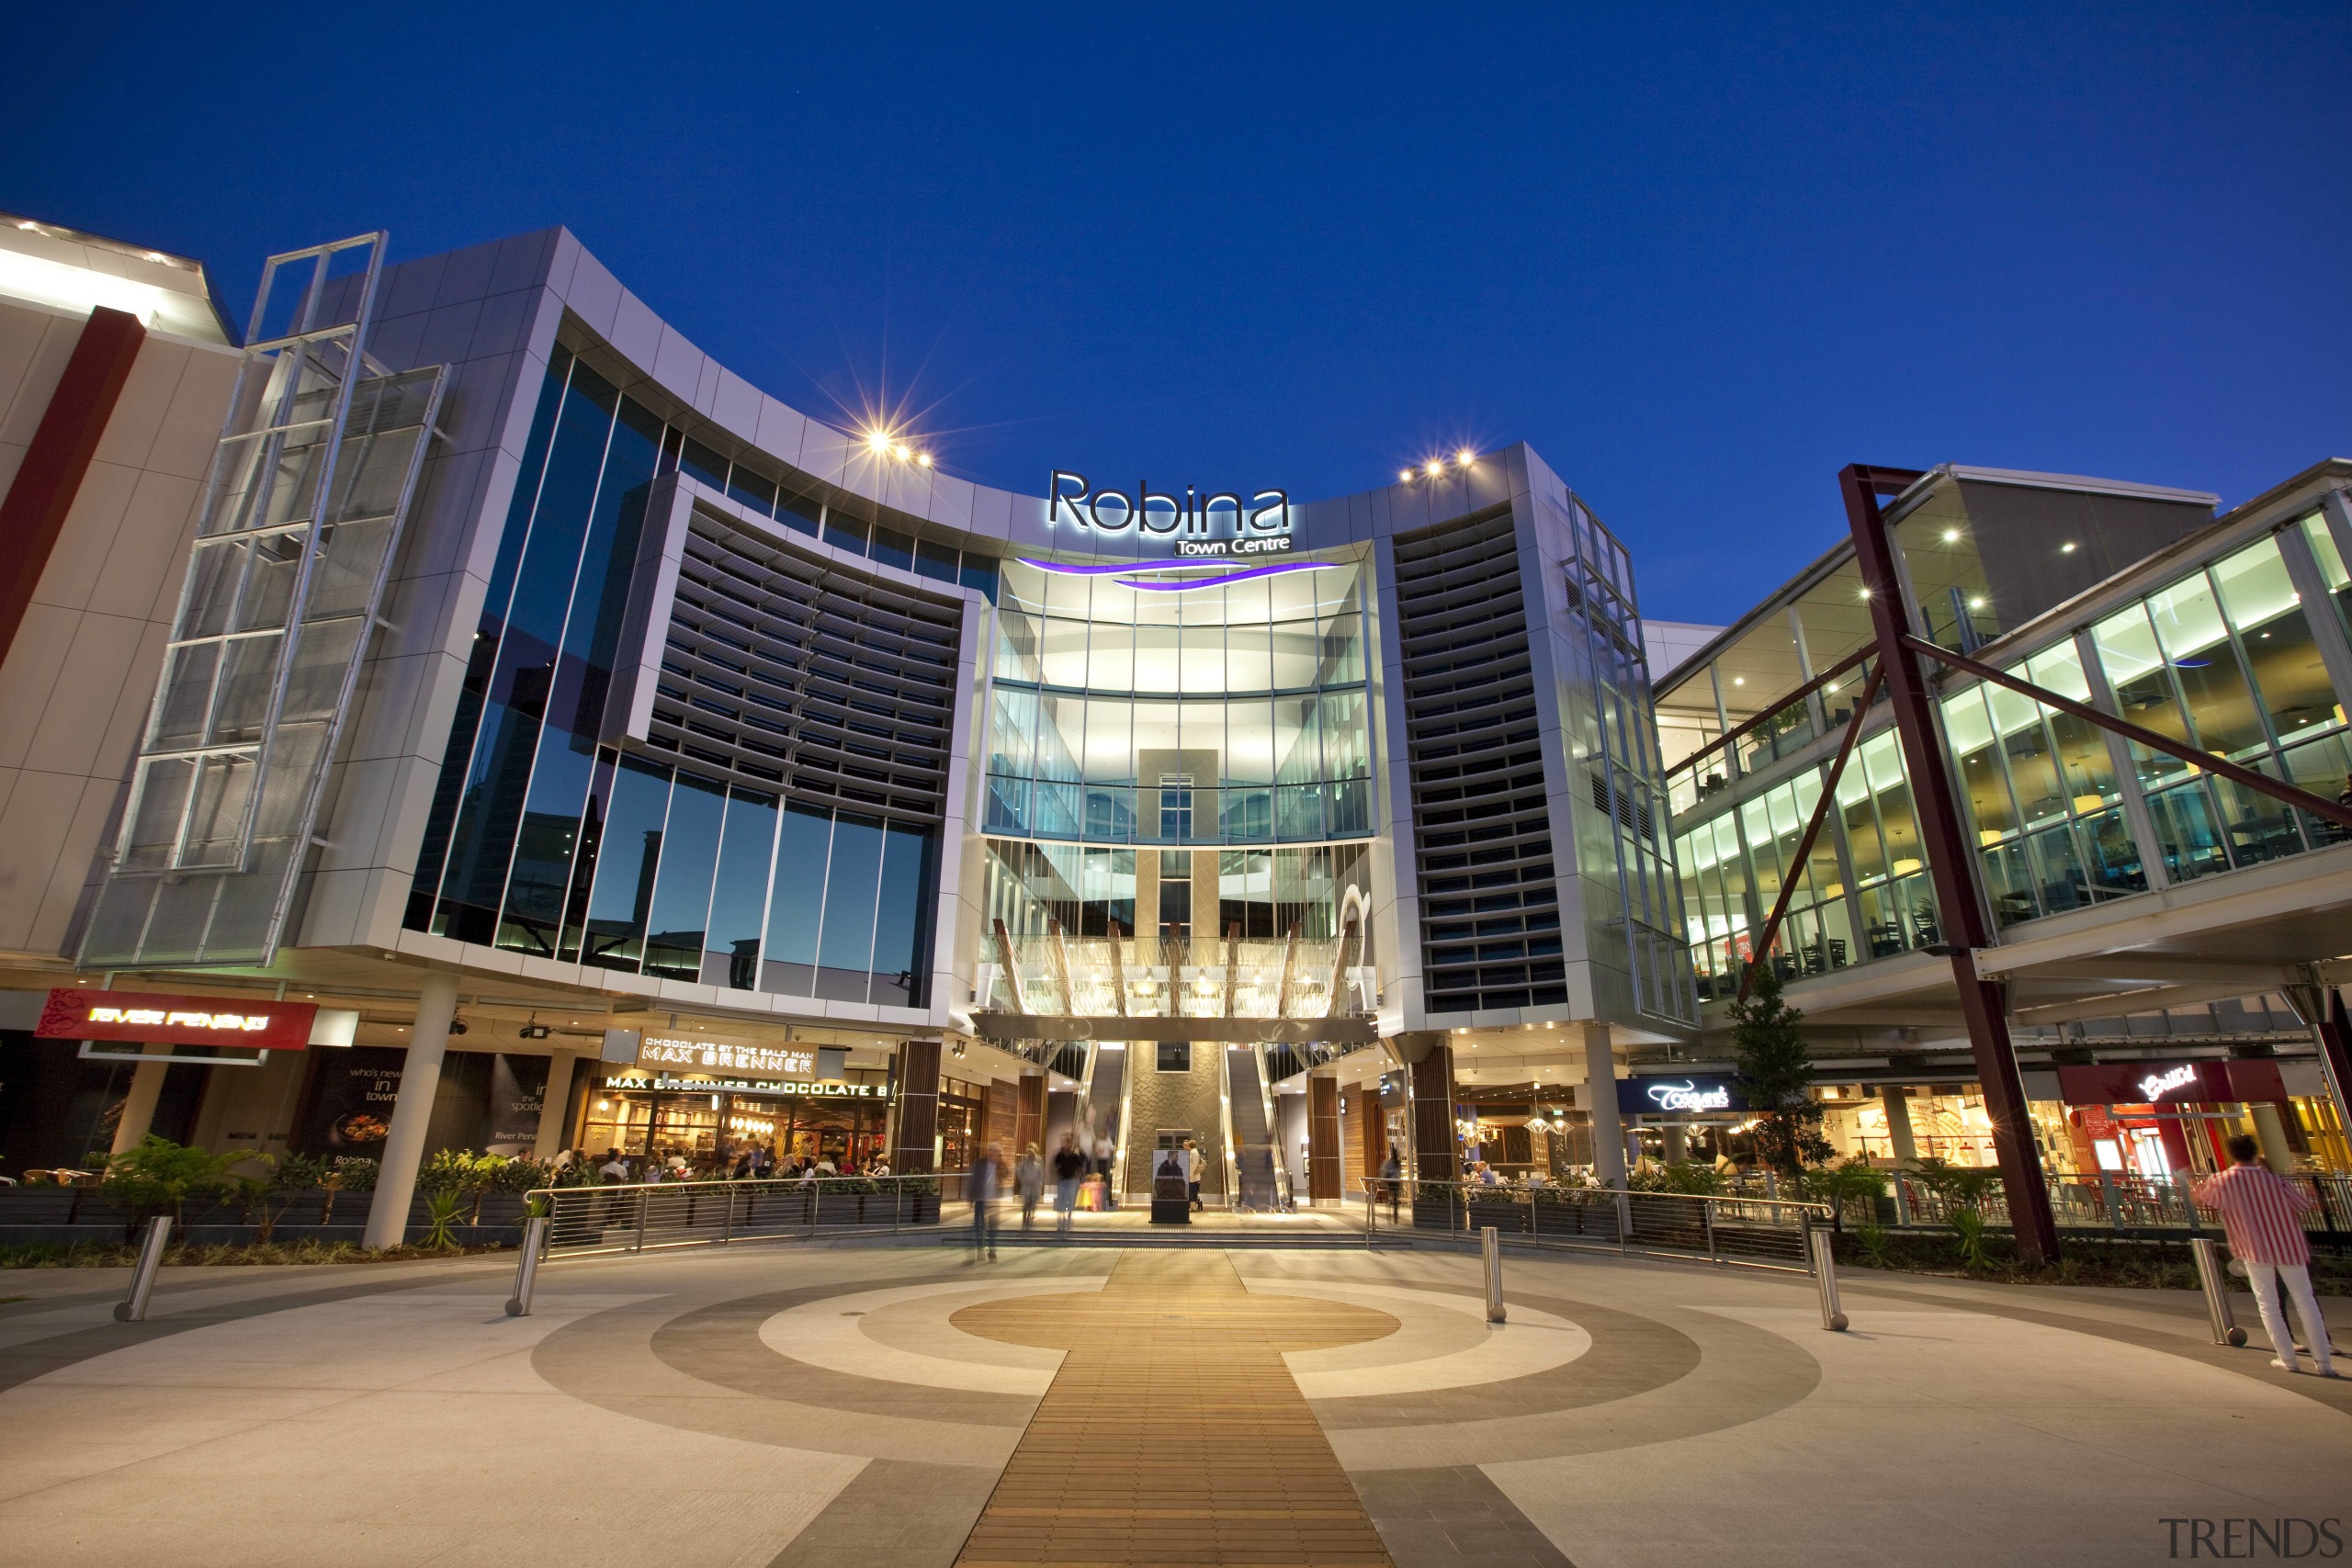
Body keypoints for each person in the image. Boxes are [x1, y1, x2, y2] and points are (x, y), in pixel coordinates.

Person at [2195, 1134, 2336, 1376]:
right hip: (2290, 1246)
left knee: (2268, 1304)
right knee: (2306, 1301)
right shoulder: (2275, 1180)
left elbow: (2202, 1200)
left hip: (2254, 1248)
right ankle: (2324, 1362)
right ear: (2254, 1152)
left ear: (2231, 1154)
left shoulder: (2223, 1180)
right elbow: (2304, 1205)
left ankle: (2287, 1358)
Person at [966, 1143, 1002, 1262]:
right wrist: (970, 1198)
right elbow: (973, 1180)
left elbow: (1006, 1174)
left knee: (993, 1227)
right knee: (979, 1226)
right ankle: (980, 1250)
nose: (996, 1155)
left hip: (993, 1201)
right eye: (994, 1152)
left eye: (998, 1153)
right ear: (989, 1152)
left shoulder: (999, 1165)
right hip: (981, 1199)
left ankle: (992, 1252)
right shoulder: (980, 1164)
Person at [1052, 1135, 1087, 1234]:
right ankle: (1061, 1220)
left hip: (1071, 1181)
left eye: (1069, 1143)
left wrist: (1078, 1175)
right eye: (1066, 1143)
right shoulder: (1060, 1155)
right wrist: (1057, 1175)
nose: (1067, 1145)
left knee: (1070, 1200)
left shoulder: (1074, 1156)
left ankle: (1069, 1217)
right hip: (1062, 1180)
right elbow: (1056, 1166)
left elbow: (1080, 1167)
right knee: (1062, 1201)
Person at [1015, 1144, 1045, 1230]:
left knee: (1032, 1204)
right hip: (1027, 1187)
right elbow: (1019, 1171)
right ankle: (1025, 1221)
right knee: (1026, 1204)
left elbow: (1040, 1175)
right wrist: (1025, 1180)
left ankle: (1031, 1217)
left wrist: (1037, 1184)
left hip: (1035, 1188)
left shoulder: (1038, 1164)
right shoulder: (1024, 1164)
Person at [1379, 1145, 1402, 1223]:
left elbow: (1383, 1170)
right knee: (1395, 1198)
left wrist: (1384, 1178)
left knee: (1391, 1198)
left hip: (1391, 1182)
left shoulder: (1389, 1162)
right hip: (1396, 1182)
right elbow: (1399, 1172)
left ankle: (1390, 1213)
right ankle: (1395, 1214)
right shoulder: (1398, 1162)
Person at [1182, 1137, 1204, 1213]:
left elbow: (1194, 1164)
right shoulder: (1193, 1152)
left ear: (1189, 1145)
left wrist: (1191, 1173)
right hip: (1193, 1175)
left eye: (1187, 1145)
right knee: (1192, 1190)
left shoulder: (1194, 1153)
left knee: (1191, 1190)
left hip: (1193, 1176)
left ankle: (1192, 1206)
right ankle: (1193, 1206)